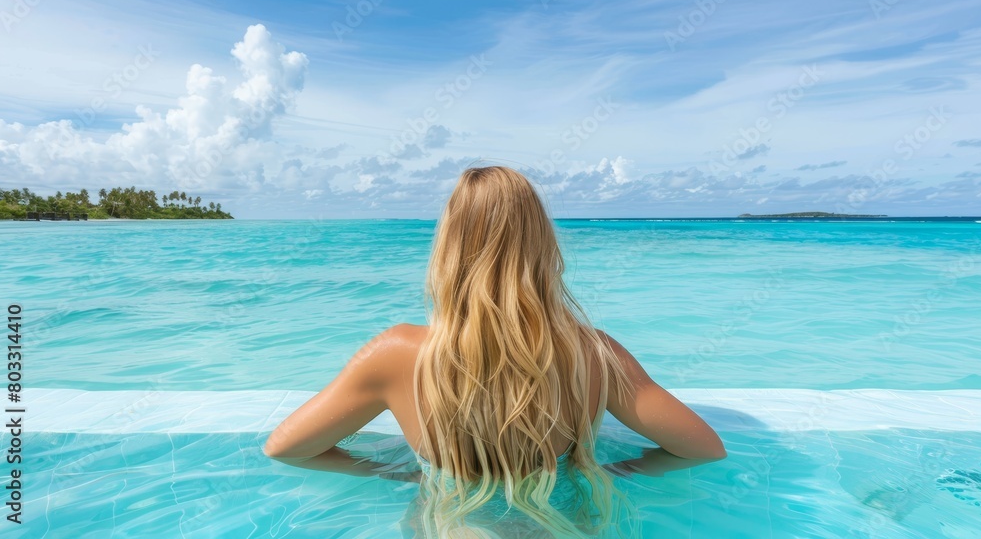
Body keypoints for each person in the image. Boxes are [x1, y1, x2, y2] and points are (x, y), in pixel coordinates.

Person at [263, 165, 726, 536]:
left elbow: (287, 448)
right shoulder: (595, 355)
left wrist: (391, 472)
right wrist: (618, 469)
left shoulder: (396, 353)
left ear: (448, 248)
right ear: (543, 247)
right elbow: (702, 449)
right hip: (564, 526)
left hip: (449, 526)